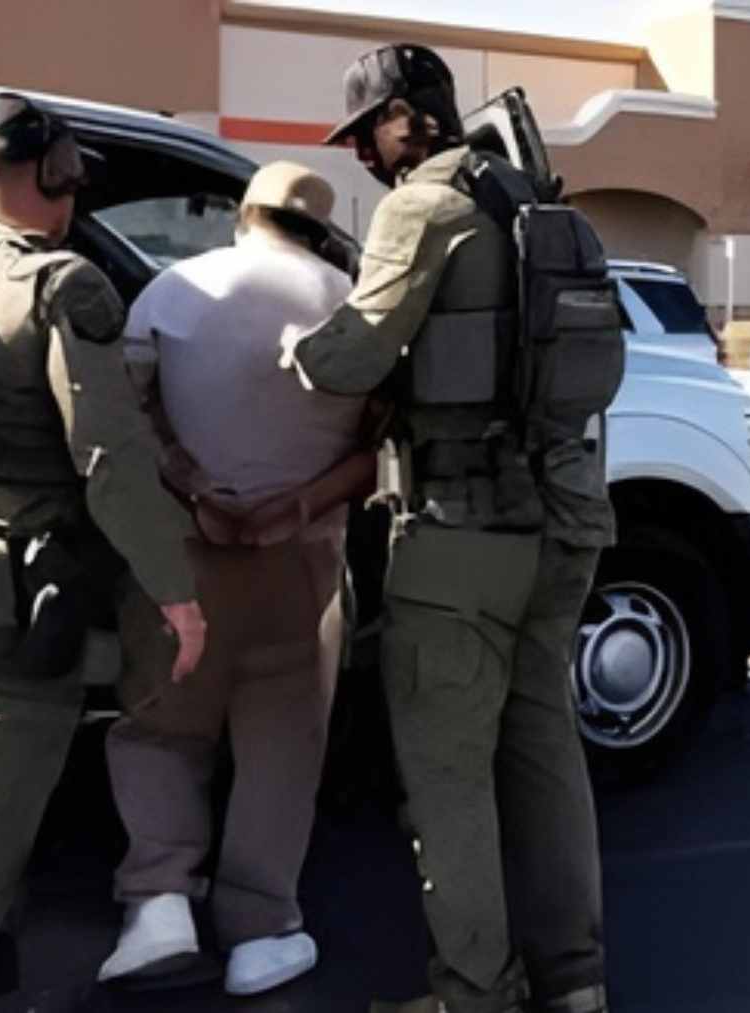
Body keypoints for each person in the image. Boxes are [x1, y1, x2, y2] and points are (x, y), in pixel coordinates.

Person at [285, 45, 618, 1013]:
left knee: (449, 779)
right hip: (564, 524)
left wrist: (292, 350)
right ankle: (576, 983)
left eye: (365, 134)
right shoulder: (540, 203)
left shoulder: (421, 206)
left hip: (462, 535)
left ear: (407, 119)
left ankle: (475, 994)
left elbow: (349, 356)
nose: (361, 158)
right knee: (548, 756)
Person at [0, 92, 207, 1013]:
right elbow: (111, 458)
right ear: (52, 178)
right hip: (23, 591)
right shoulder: (64, 284)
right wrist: (175, 593)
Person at [98, 161, 373, 996]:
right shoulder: (353, 306)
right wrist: (290, 509)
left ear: (243, 214)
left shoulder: (173, 290)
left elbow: (124, 419)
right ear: (320, 227)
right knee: (283, 744)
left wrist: (200, 492)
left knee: (160, 725)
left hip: (187, 549)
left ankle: (158, 904)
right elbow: (380, 447)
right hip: (303, 562)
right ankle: (262, 927)